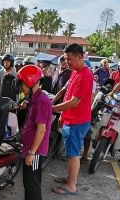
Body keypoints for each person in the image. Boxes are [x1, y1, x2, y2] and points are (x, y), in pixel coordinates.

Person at [51, 43, 93, 195]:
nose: (67, 62)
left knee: (74, 154)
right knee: (70, 152)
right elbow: (66, 91)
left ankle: (71, 186)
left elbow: (75, 102)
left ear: (80, 57)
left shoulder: (86, 75)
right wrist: (61, 113)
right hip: (69, 119)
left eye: (69, 59)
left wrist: (53, 109)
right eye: (66, 59)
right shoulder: (74, 72)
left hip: (78, 121)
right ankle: (69, 178)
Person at [17, 65, 51, 200]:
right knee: (28, 183)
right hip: (30, 148)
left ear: (30, 82)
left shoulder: (41, 101)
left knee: (32, 184)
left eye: (22, 85)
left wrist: (31, 153)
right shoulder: (34, 98)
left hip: (34, 151)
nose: (21, 88)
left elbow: (41, 129)